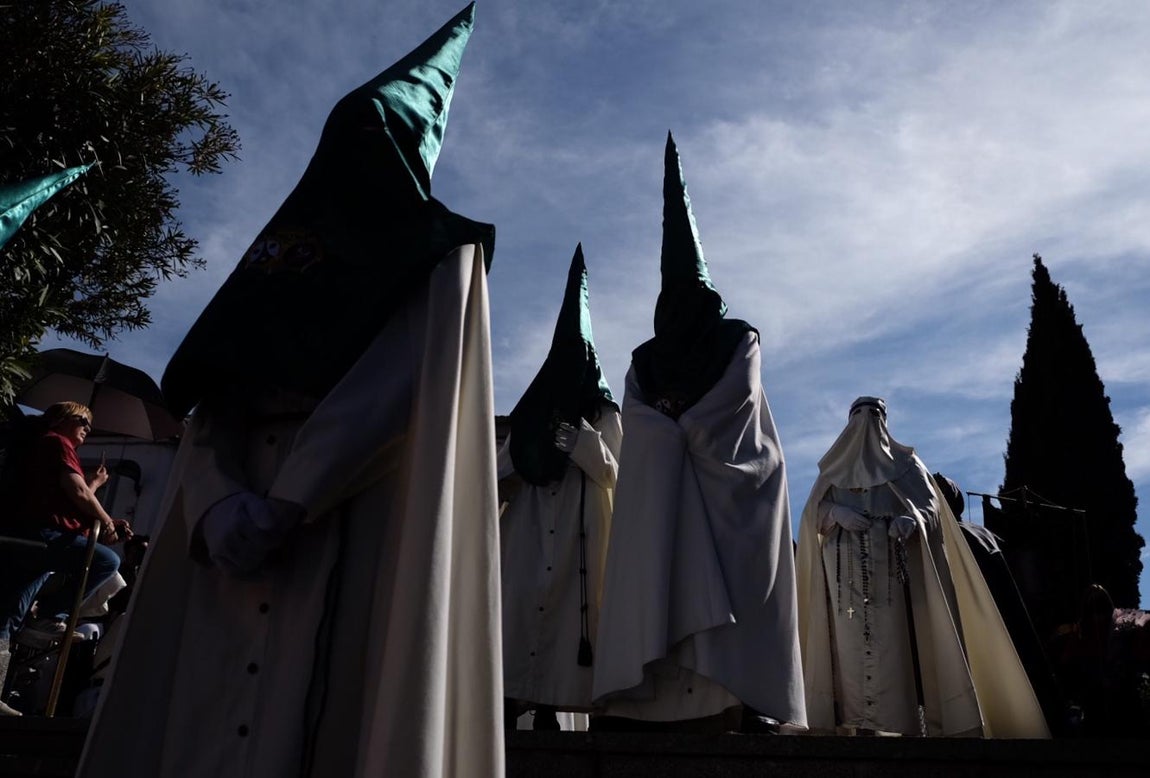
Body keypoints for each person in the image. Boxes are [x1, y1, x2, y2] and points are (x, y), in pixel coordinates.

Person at [79, 5, 503, 777]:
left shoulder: (441, 257)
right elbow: (215, 397)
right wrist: (214, 502)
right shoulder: (278, 259)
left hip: (353, 510)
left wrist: (294, 498)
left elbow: (396, 383)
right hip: (238, 512)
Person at [591, 133, 806, 733]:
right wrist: (668, 435)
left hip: (733, 481)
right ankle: (653, 698)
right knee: (658, 531)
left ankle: (740, 695)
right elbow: (638, 419)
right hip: (668, 488)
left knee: (739, 582)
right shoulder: (645, 359)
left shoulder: (739, 338)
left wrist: (679, 428)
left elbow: (735, 401)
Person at [796, 397, 1049, 737]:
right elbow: (812, 513)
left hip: (892, 581)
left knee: (894, 655)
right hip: (845, 584)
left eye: (874, 415)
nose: (866, 423)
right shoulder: (832, 470)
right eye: (859, 415)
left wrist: (910, 520)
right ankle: (850, 727)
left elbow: (930, 507)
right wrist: (835, 514)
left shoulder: (907, 464)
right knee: (846, 659)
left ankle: (899, 729)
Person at [499, 244, 621, 730]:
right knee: (520, 610)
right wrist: (531, 452)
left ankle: (552, 707)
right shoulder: (533, 411)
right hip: (528, 532)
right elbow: (502, 470)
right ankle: (511, 703)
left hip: (579, 530)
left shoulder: (604, 411)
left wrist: (580, 441)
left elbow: (614, 470)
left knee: (570, 622)